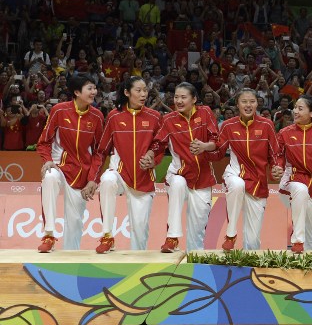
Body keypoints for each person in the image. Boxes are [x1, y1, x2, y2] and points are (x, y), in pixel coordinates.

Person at [142, 82, 219, 252]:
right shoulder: (168, 120)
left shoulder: (205, 112)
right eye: (176, 97)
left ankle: (194, 261)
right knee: (177, 183)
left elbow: (216, 140)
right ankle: (172, 237)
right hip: (179, 174)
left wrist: (205, 146)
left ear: (194, 99)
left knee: (197, 231)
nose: (179, 101)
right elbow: (158, 145)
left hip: (203, 179)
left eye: (183, 97)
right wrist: (150, 156)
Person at [208, 88, 282, 251]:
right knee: (237, 185)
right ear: (237, 104)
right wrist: (204, 149)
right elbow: (219, 151)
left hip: (258, 184)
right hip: (235, 173)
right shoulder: (228, 126)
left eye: (252, 101)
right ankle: (231, 234)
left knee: (253, 241)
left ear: (257, 103)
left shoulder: (267, 125)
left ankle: (250, 272)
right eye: (244, 102)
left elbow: (275, 152)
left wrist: (277, 167)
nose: (248, 105)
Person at [37, 75, 104, 252]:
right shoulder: (59, 111)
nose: (94, 92)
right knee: (49, 178)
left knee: (75, 222)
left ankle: (71, 257)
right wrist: (48, 161)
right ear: (76, 92)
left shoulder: (97, 116)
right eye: (90, 88)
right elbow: (43, 142)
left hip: (81, 174)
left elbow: (99, 152)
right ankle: (49, 235)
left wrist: (92, 179)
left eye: (94, 88)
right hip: (59, 166)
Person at [96, 76, 163, 252]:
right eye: (138, 90)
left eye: (145, 90)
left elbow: (160, 145)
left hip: (143, 179)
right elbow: (102, 150)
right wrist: (92, 178)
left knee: (140, 233)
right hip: (120, 174)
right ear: (127, 92)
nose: (143, 94)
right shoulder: (114, 117)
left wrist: (152, 158)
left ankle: (138, 266)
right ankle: (107, 236)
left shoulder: (155, 117)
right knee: (107, 180)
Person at [276, 95, 312, 254]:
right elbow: (278, 155)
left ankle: (307, 274)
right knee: (300, 190)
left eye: (300, 108)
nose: (295, 111)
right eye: (295, 108)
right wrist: (278, 167)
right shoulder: (284, 133)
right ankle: (297, 240)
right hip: (290, 184)